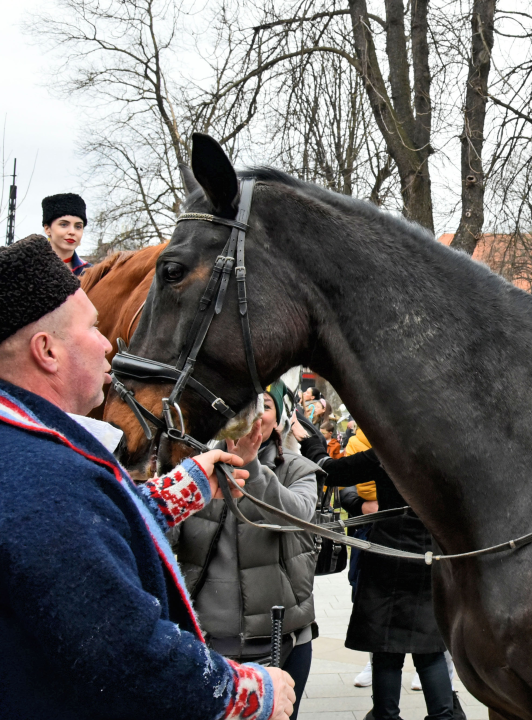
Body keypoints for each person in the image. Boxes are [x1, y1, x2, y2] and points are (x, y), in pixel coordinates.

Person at [0, 235, 294, 719]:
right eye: (94, 329)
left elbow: (90, 531)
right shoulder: (44, 478)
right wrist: (248, 692)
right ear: (46, 351)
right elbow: (125, 649)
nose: (108, 348)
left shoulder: (31, 449)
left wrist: (179, 490)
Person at [290, 418, 456, 720]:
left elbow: (332, 470)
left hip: (387, 555)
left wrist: (307, 439)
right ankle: (444, 716)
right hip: (428, 555)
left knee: (386, 650)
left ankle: (386, 714)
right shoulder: (445, 447)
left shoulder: (388, 446)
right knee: (429, 648)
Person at [172, 387, 320, 720]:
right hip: (209, 640)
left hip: (285, 639)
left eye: (263, 406)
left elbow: (296, 517)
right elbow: (162, 536)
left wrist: (251, 468)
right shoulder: (194, 467)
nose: (251, 416)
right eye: (240, 405)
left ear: (278, 417)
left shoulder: (298, 469)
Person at [41, 193, 92, 276]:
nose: (72, 232)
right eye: (64, 224)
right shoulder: (29, 268)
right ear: (47, 229)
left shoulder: (90, 273)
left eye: (78, 226)